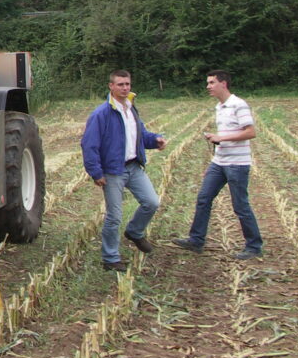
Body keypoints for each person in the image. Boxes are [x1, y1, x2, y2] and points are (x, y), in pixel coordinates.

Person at [81, 70, 167, 272]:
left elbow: (140, 135)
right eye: (120, 84)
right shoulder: (101, 114)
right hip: (113, 171)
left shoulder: (130, 109)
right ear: (111, 86)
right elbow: (89, 145)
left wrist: (155, 140)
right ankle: (110, 258)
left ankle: (135, 232)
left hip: (133, 166)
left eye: (127, 84)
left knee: (152, 202)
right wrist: (96, 172)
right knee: (114, 216)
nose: (125, 88)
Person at [172, 71, 263, 259]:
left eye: (212, 82)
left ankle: (254, 246)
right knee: (203, 198)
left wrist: (221, 137)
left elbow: (250, 132)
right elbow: (224, 139)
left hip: (237, 164)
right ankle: (196, 241)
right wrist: (213, 162)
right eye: (208, 83)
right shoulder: (219, 107)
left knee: (240, 205)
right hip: (219, 163)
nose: (208, 86)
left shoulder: (239, 105)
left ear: (224, 83)